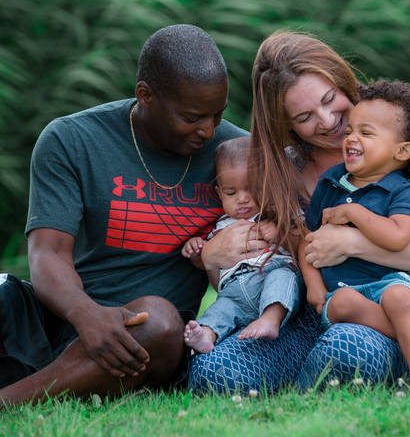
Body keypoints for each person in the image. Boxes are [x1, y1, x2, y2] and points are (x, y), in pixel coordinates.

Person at [188, 31, 410, 394]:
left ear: (342, 80)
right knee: (215, 372)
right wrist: (213, 254)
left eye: (329, 99)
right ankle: (300, 379)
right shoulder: (284, 169)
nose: (326, 120)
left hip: (401, 318)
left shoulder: (406, 139)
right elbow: (269, 265)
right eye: (304, 116)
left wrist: (349, 241)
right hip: (314, 315)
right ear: (286, 125)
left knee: (347, 349)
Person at [0, 24, 249, 407]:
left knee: (159, 321)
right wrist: (86, 315)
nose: (207, 130)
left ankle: (11, 401)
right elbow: (47, 253)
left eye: (217, 115)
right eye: (191, 117)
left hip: (149, 336)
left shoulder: (236, 156)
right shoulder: (71, 139)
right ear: (145, 95)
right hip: (62, 314)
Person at [299, 79, 410, 397]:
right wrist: (313, 284)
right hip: (340, 291)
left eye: (366, 133)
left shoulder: (401, 189)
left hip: (387, 282)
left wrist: (354, 215)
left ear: (402, 150)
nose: (351, 138)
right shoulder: (332, 182)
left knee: (400, 298)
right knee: (348, 302)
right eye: (350, 130)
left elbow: (399, 236)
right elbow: (307, 240)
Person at [182, 136, 302, 353]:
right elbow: (214, 274)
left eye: (251, 189)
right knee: (222, 308)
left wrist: (279, 232)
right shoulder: (219, 227)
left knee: (284, 277)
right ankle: (207, 334)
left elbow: (302, 239)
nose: (243, 199)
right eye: (231, 192)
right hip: (234, 291)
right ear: (219, 192)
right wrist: (198, 251)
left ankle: (270, 319)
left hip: (270, 277)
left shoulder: (276, 214)